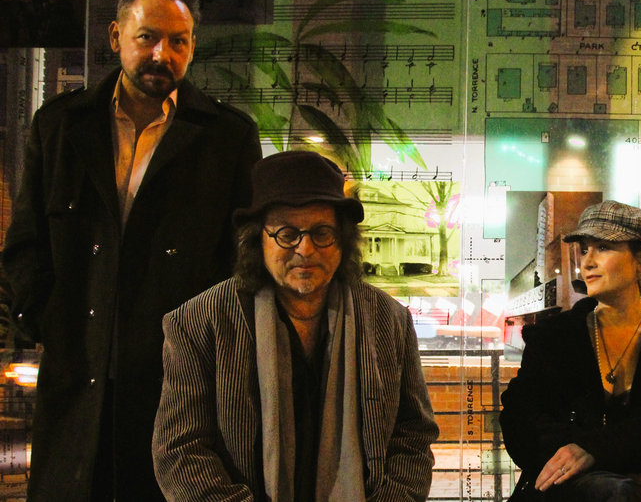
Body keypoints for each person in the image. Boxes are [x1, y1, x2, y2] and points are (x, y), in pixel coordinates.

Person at [2, 0, 261, 500]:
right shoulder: (60, 126)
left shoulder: (228, 136)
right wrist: (48, 320)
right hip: (77, 373)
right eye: (147, 37)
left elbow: (243, 260)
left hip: (179, 380)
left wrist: (212, 348)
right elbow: (26, 242)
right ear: (116, 36)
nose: (162, 53)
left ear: (193, 47)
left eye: (178, 41)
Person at [152, 150, 438, 501]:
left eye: (322, 233)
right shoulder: (199, 322)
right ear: (258, 238)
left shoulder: (388, 319)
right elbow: (181, 449)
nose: (305, 249)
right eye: (287, 234)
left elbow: (413, 435)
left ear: (343, 239)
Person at [500, 200, 641, 501]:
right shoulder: (553, 339)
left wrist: (596, 451)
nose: (587, 262)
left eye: (603, 248)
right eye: (585, 249)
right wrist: (609, 468)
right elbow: (521, 422)